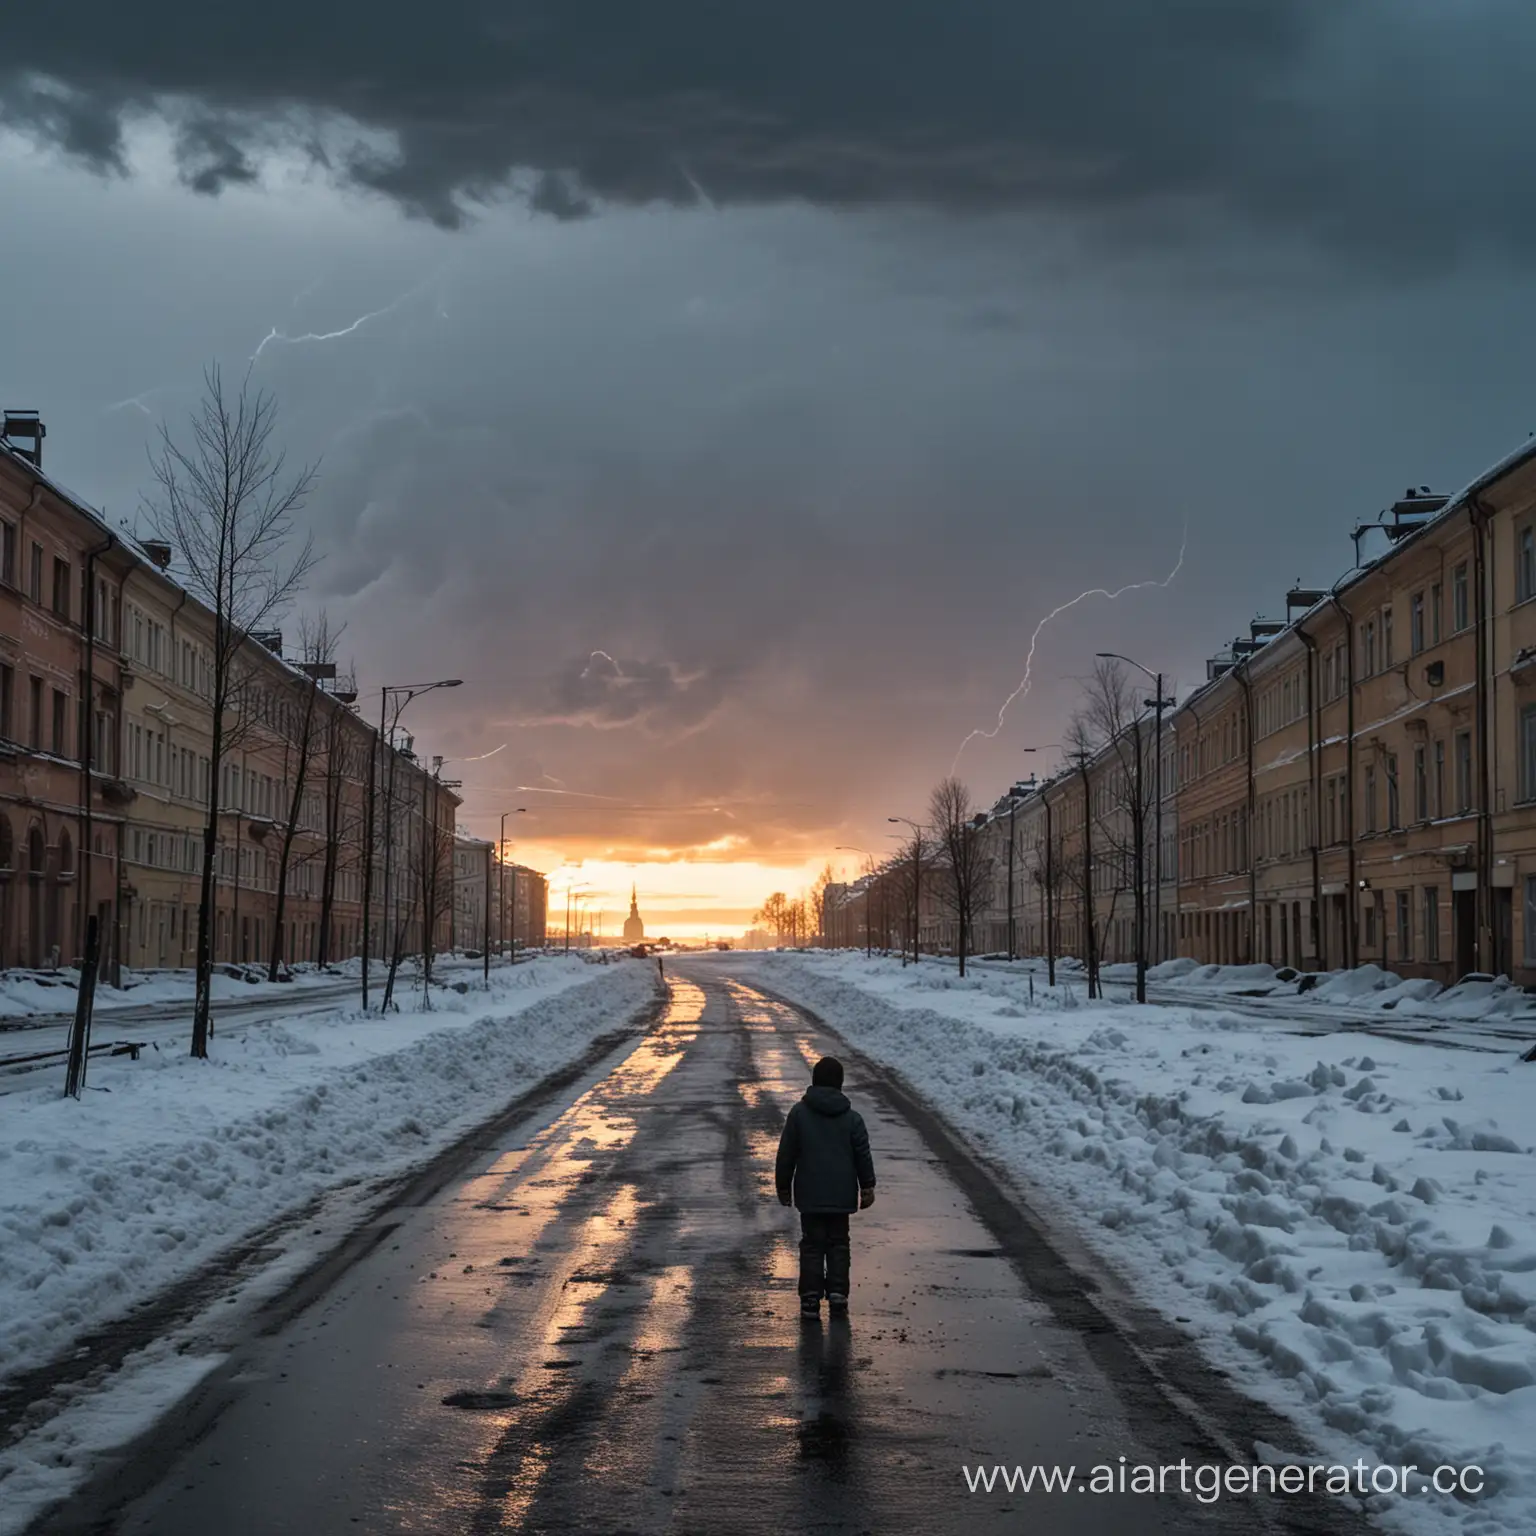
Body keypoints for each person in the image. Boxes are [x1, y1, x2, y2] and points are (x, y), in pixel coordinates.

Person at [775, 1056, 876, 1318]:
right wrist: (867, 1186)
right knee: (839, 1243)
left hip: (810, 1195)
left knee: (812, 1244)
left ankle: (810, 1298)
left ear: (814, 1081)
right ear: (840, 1084)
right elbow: (862, 1154)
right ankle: (838, 1294)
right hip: (841, 1195)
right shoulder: (852, 1119)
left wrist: (783, 1186)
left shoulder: (799, 1114)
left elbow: (787, 1153)